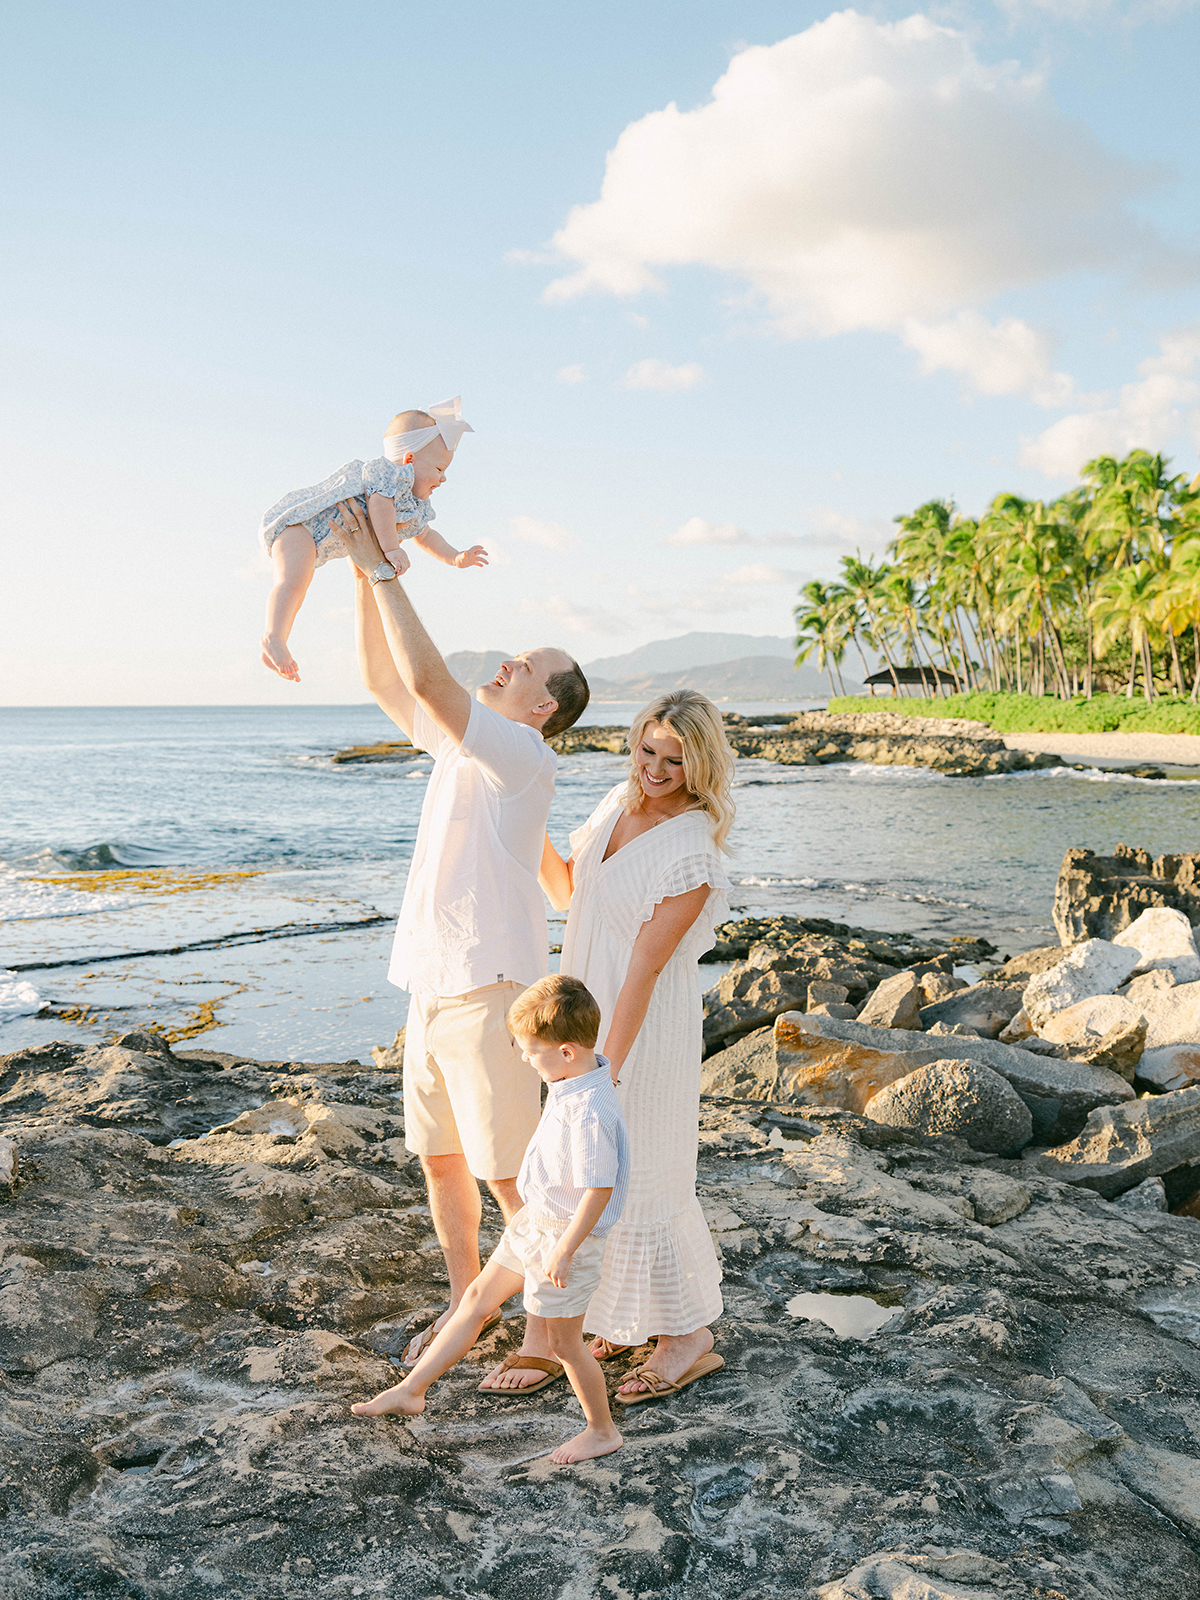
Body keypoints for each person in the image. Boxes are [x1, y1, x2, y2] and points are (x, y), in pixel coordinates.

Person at [330, 496, 591, 1375]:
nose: (511, 661)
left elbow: (436, 683)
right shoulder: (461, 749)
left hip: (490, 994)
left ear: (544, 706)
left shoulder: (524, 758)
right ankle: (464, 1304)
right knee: (443, 1163)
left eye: (529, 666)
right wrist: (359, 567)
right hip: (431, 984)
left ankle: (546, 1332)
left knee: (513, 1177)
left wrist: (382, 565)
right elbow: (385, 682)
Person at [536, 689, 735, 1404]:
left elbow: (646, 967)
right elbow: (567, 891)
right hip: (584, 1014)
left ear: (700, 761)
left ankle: (685, 1336)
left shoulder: (691, 847)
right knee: (597, 1170)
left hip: (640, 1033)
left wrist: (603, 1069)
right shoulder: (614, 804)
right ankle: (626, 1320)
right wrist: (523, 810)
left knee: (643, 1169)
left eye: (675, 759)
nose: (656, 768)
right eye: (649, 750)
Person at [352, 974, 629, 1466]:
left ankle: (602, 1430)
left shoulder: (589, 1108)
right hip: (536, 1225)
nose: (525, 1058)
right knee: (477, 1298)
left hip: (564, 1241)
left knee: (566, 1345)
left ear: (567, 1051)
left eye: (530, 1050)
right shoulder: (577, 1078)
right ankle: (411, 1390)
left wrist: (564, 1249)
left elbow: (599, 1187)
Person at [260, 397, 488, 682]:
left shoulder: (413, 505)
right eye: (439, 469)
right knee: (293, 584)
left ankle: (276, 639)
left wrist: (455, 557)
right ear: (408, 460)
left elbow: (426, 536)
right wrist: (391, 549)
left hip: (311, 542)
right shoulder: (386, 476)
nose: (443, 479)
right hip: (299, 528)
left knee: (300, 584)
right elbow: (380, 504)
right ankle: (274, 636)